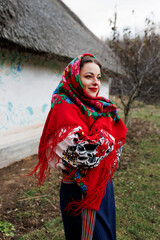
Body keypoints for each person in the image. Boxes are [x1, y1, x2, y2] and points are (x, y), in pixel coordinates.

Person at [31, 53, 127, 240]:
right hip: (80, 191)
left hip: (102, 186)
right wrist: (107, 138)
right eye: (88, 76)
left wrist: (103, 139)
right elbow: (85, 157)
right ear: (75, 78)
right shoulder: (63, 107)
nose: (95, 82)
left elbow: (115, 144)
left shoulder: (99, 106)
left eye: (98, 77)